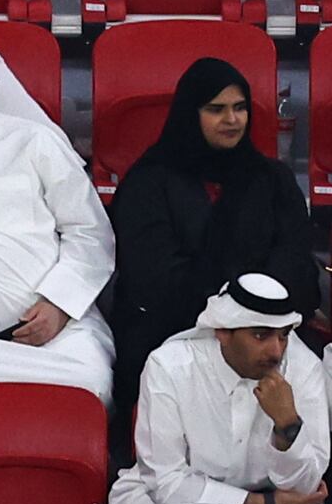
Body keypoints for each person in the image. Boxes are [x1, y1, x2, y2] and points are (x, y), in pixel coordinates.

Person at [110, 61, 319, 442]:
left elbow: (294, 258)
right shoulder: (149, 182)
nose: (232, 120)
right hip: (177, 331)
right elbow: (154, 275)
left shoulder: (272, 178)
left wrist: (256, 322)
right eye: (216, 109)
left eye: (240, 108)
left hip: (270, 330)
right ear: (192, 114)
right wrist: (231, 319)